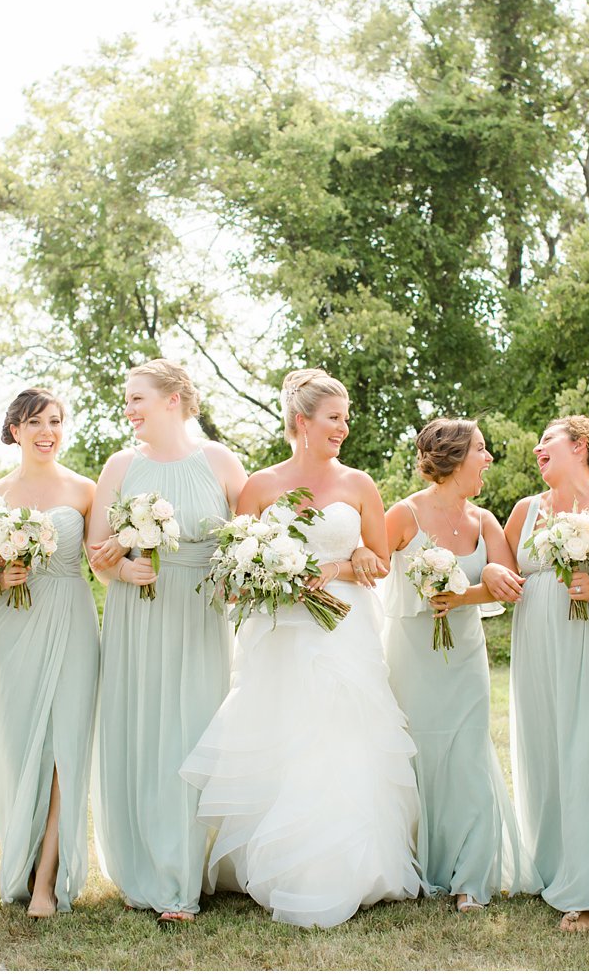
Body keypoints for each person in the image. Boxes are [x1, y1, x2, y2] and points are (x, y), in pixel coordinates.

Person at [180, 367, 424, 929]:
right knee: (285, 731)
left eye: (344, 418)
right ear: (301, 422)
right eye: (334, 417)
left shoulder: (360, 484)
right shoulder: (260, 486)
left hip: (344, 629)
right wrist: (278, 578)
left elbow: (380, 561)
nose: (343, 427)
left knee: (342, 735)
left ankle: (352, 864)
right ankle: (280, 863)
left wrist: (340, 565)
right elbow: (233, 571)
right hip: (280, 634)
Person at [86, 359, 247, 924]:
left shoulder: (222, 461)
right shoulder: (120, 465)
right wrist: (121, 571)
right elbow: (97, 549)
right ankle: (150, 869)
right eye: (127, 400)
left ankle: (185, 871)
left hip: (200, 613)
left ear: (173, 398)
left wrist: (234, 576)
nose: (128, 409)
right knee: (142, 730)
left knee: (192, 734)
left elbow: (246, 538)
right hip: (139, 613)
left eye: (137, 399)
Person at [380, 418, 540, 911]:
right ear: (453, 458)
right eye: (482, 449)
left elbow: (509, 585)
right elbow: (368, 571)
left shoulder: (485, 520)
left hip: (466, 654)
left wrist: (468, 588)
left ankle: (472, 875)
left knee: (468, 754)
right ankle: (419, 862)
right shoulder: (403, 515)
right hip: (411, 653)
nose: (489, 459)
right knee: (419, 754)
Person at [503, 415, 589, 932]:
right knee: (547, 750)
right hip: (537, 646)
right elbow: (502, 575)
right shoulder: (524, 510)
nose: (537, 449)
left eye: (547, 441)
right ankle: (552, 865)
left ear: (580, 446)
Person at [0, 388, 100, 918]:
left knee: (65, 745)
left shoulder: (85, 489)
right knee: (18, 739)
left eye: (54, 420)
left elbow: (102, 562)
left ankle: (48, 879)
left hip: (71, 617)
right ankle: (25, 858)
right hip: (13, 623)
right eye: (34, 423)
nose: (46, 431)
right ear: (14, 431)